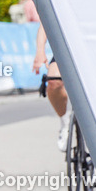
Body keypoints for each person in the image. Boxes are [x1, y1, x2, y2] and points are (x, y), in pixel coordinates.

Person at [33, 21, 71, 152]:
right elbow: (45, 22)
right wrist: (40, 51)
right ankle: (65, 122)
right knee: (54, 81)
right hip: (67, 47)